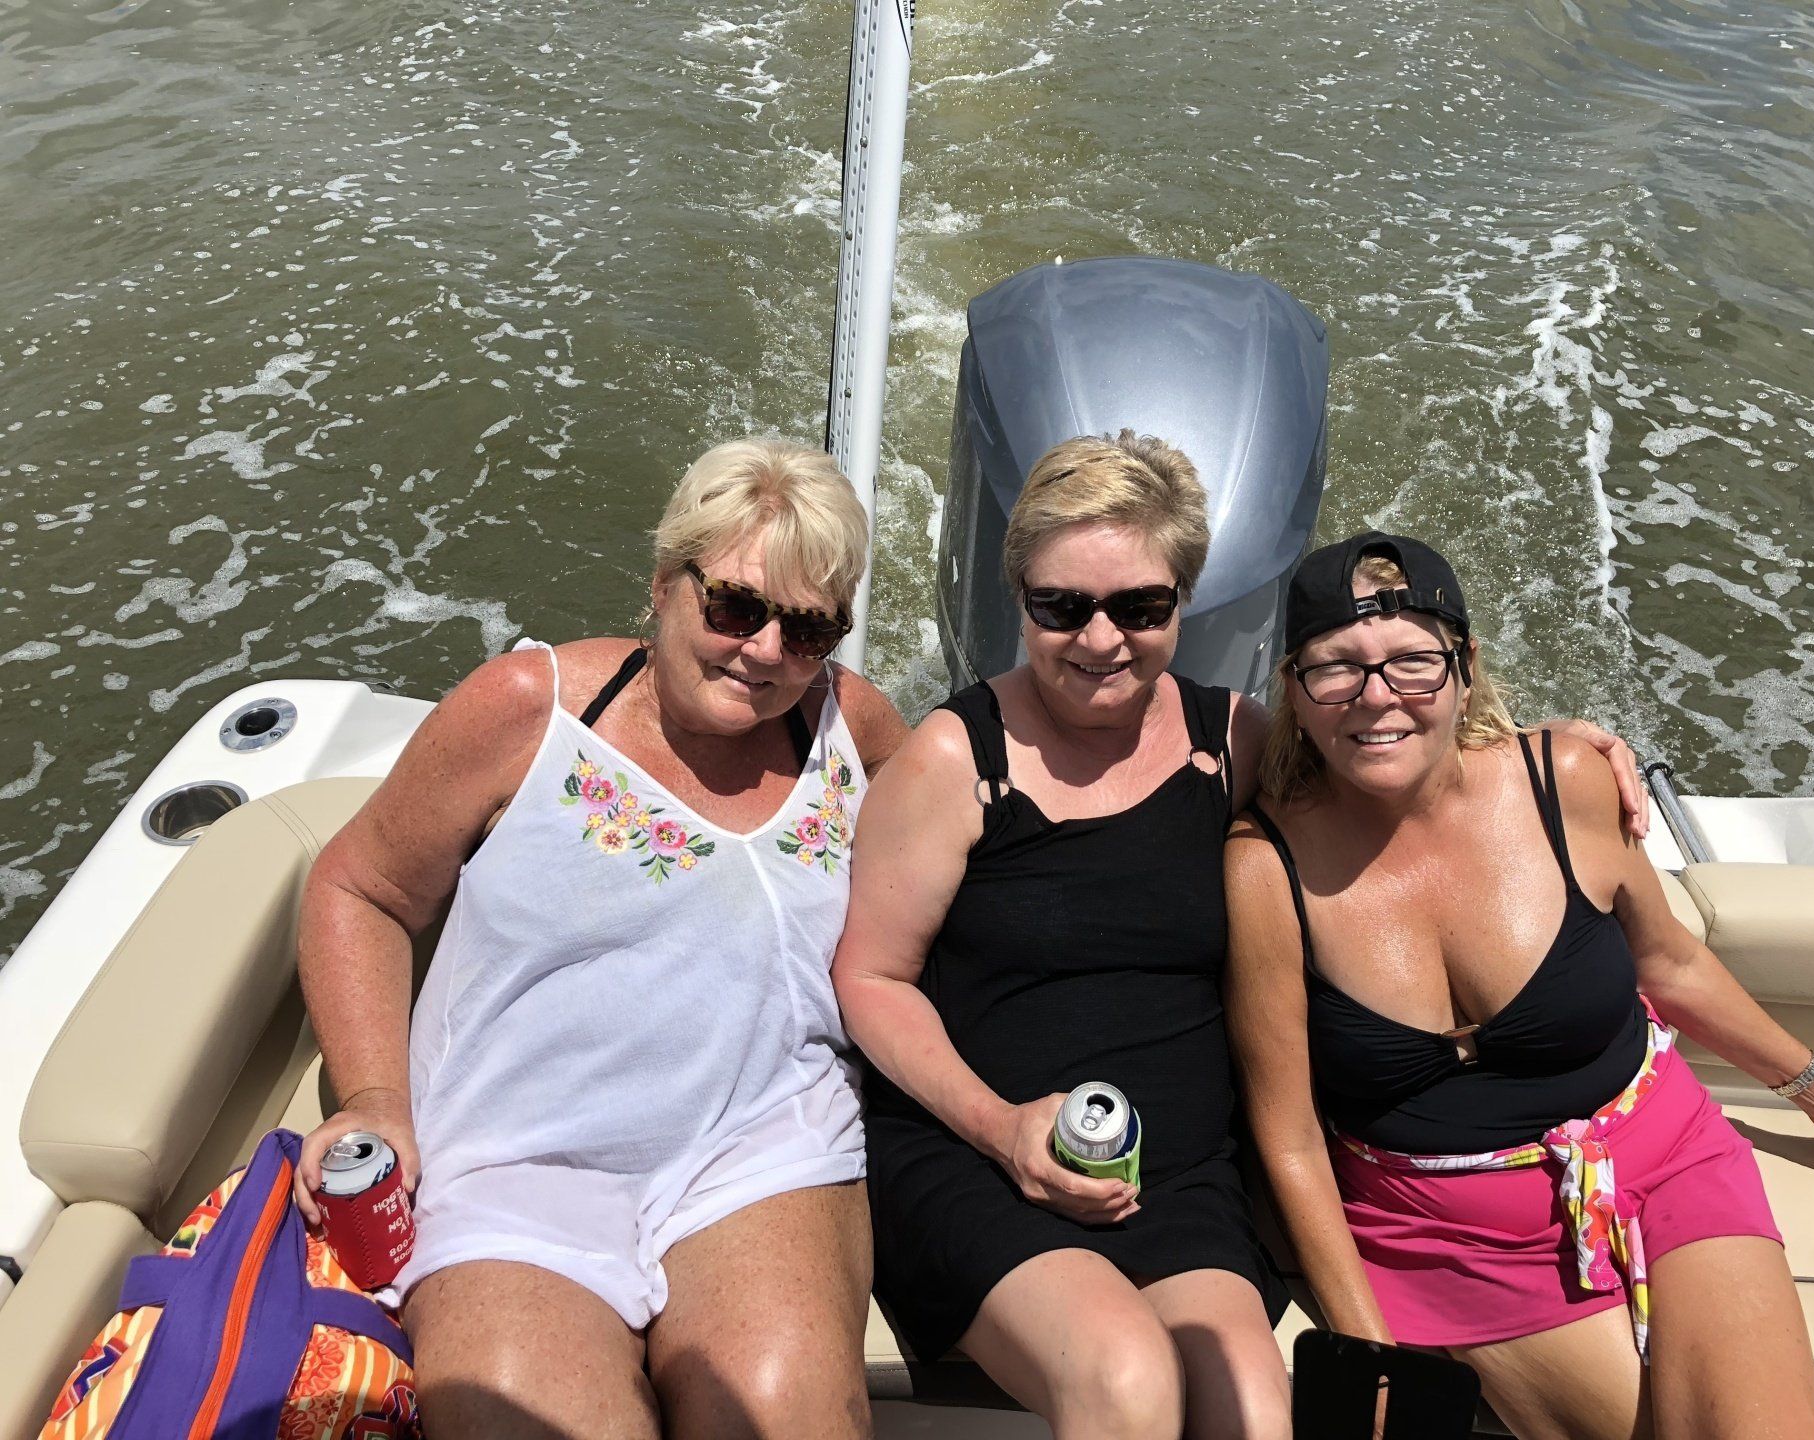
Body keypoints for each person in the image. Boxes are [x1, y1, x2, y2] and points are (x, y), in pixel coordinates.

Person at [830, 438, 1646, 1440]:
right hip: (979, 1155)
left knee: (1256, 1409)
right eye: (1061, 607)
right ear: (1019, 599)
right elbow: (870, 976)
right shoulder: (955, 760)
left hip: (1179, 1173)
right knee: (1125, 1379)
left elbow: (1393, 766)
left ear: (1183, 602)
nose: (1100, 638)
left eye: (1140, 607)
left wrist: (1559, 750)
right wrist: (1003, 1129)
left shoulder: (1238, 744)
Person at [1224, 531, 1814, 1440]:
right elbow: (1291, 1142)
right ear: (1294, 693)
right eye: (1336, 670)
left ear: (1465, 668)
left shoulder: (1569, 784)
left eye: (1412, 663)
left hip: (1663, 1155)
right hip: (1445, 1236)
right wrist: (1366, 1350)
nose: (1376, 698)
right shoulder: (1266, 872)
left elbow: (1669, 962)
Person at [295, 437, 909, 1440]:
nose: (763, 653)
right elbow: (358, 888)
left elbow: (971, 876)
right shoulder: (527, 713)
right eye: (734, 607)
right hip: (515, 1163)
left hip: (758, 1148)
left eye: (807, 630)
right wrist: (375, 1096)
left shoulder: (853, 731)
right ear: (664, 583)